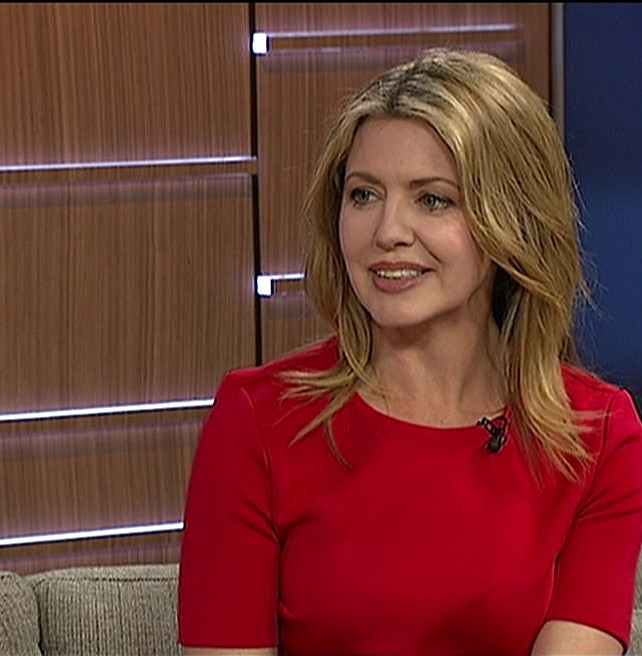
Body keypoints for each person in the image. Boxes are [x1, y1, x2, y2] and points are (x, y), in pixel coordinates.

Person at [177, 47, 642, 655]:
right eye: (364, 195)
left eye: (432, 199)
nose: (388, 232)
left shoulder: (597, 437)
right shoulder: (258, 422)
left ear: (512, 222)